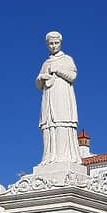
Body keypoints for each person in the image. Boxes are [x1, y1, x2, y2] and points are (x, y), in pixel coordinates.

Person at [36, 31, 80, 166]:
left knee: (62, 123)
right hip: (49, 96)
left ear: (60, 43)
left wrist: (58, 70)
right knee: (49, 125)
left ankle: (64, 156)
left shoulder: (67, 59)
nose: (53, 46)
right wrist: (41, 78)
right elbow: (38, 85)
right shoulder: (45, 63)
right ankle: (49, 156)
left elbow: (73, 76)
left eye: (56, 43)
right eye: (51, 44)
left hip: (62, 95)